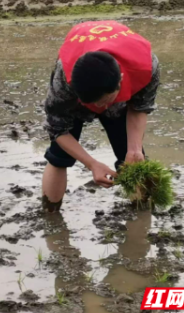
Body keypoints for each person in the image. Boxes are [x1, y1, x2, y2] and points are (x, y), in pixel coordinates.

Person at [42, 21, 160, 212]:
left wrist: (135, 148)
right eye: (94, 104)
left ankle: (141, 216)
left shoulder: (147, 66)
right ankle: (50, 213)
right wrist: (92, 164)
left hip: (121, 99)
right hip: (78, 100)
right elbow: (57, 128)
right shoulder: (63, 79)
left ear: (120, 80)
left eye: (104, 101)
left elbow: (140, 107)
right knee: (58, 157)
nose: (100, 108)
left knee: (134, 159)